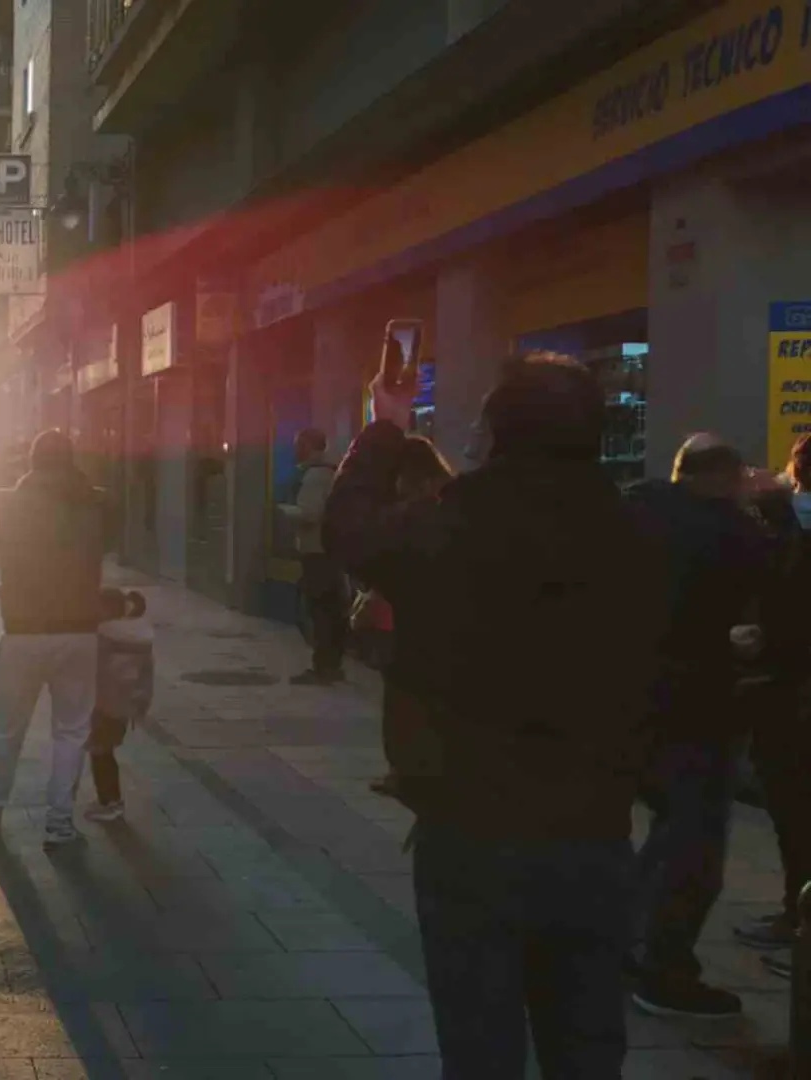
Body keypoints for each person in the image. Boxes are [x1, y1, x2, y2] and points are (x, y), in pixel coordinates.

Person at [324, 353, 666, 1077]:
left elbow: (349, 530)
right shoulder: (639, 534)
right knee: (587, 1047)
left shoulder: (453, 522)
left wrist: (384, 428)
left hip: (469, 834)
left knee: (480, 1045)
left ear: (494, 432)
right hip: (594, 833)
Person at [625, 434, 772, 1018]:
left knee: (668, 829)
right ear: (726, 478)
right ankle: (664, 969)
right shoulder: (727, 529)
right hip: (702, 704)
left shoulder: (635, 510)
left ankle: (630, 943)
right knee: (694, 842)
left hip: (638, 702)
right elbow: (769, 579)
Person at [0, 429, 105, 849]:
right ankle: (59, 822)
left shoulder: (6, 504)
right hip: (79, 632)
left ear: (31, 461)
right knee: (71, 730)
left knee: (4, 729)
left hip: (24, 631)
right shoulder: (94, 503)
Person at [740, 434, 811, 970]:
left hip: (791, 695)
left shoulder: (792, 535)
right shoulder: (790, 531)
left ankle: (799, 920)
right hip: (788, 690)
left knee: (794, 814)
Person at [355, 436, 454, 800]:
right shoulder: (440, 508)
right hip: (415, 623)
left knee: (405, 699)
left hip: (410, 625)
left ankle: (408, 769)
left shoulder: (420, 515)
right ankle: (407, 768)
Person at [280, 428, 345, 685]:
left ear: (308, 446)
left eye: (298, 444)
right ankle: (332, 663)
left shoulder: (315, 475)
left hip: (316, 551)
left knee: (318, 609)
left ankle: (323, 666)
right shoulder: (331, 471)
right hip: (329, 550)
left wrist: (284, 511)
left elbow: (310, 513)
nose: (295, 450)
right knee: (330, 608)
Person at [83, 588, 154, 823]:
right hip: (125, 704)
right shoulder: (138, 634)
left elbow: (93, 670)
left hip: (104, 703)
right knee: (105, 751)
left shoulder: (104, 635)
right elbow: (146, 673)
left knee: (100, 753)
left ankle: (110, 802)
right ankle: (111, 800)